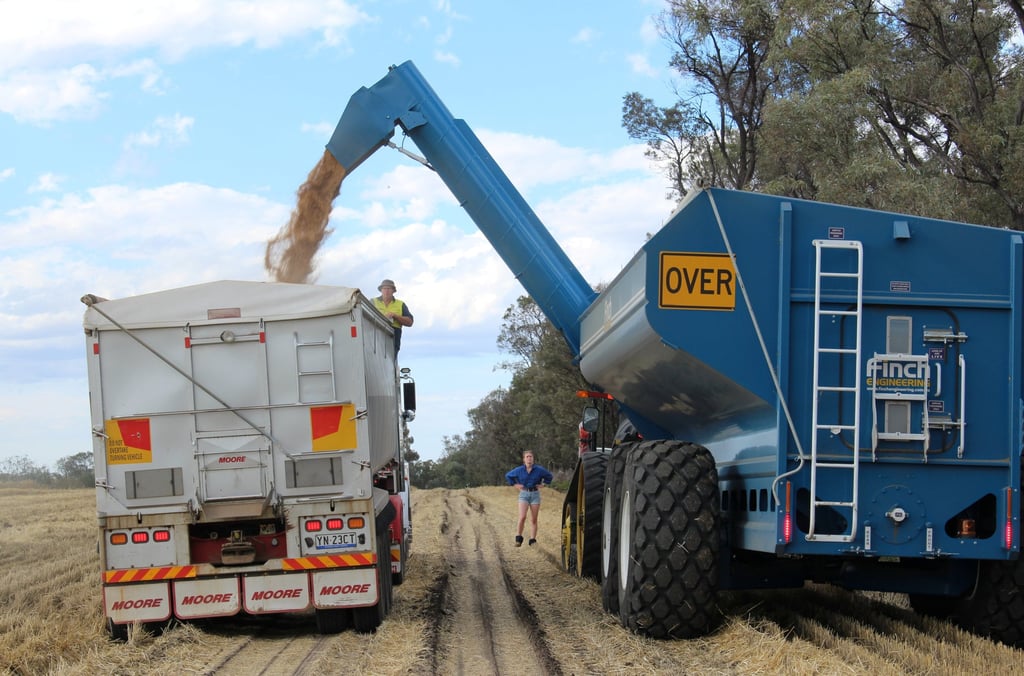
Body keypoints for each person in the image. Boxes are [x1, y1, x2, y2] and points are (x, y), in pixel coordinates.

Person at [504, 450, 554, 546]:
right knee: (522, 517)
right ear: (524, 459)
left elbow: (549, 476)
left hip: (535, 494)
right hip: (524, 494)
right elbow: (508, 476)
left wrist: (543, 484)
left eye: (530, 456)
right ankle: (518, 538)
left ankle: (532, 540)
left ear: (533, 459)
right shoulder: (519, 470)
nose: (529, 458)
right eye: (527, 457)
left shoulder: (539, 470)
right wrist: (515, 484)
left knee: (534, 519)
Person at [372, 279, 414, 353]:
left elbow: (410, 322)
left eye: (389, 288)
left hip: (394, 335)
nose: (386, 291)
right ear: (381, 290)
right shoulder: (373, 302)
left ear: (393, 291)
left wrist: (395, 316)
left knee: (390, 360)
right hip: (375, 334)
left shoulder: (400, 304)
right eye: (384, 288)